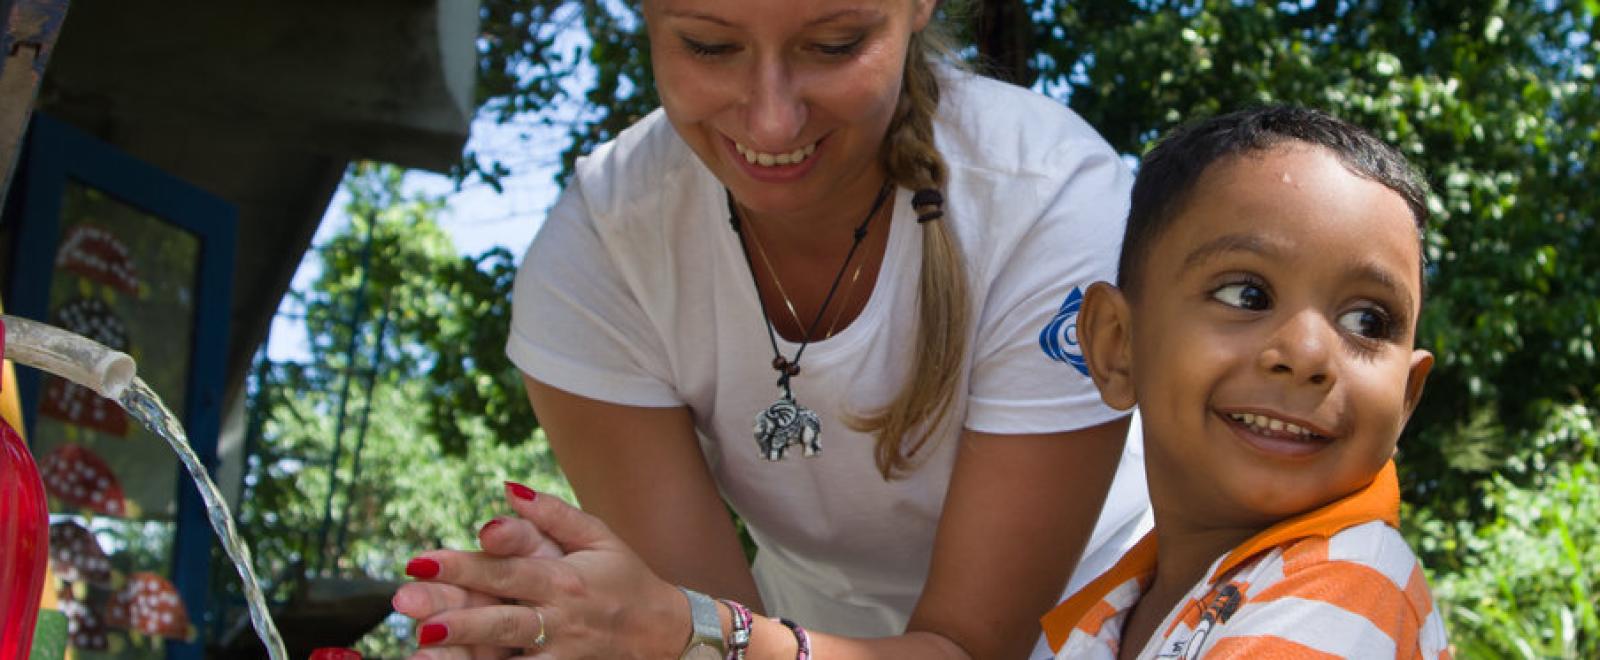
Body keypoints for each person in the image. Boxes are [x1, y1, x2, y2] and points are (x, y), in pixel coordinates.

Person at [392, 0, 1151, 658]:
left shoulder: (1050, 204)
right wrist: (597, 627)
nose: (771, 118)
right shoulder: (604, 253)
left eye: (834, 44)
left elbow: (970, 648)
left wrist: (688, 635)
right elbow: (703, 629)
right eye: (710, 46)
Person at [1039, 105, 1451, 658]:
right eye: (1246, 295)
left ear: (1405, 400)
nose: (1307, 355)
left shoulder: (1349, 589)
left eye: (1367, 322)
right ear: (1118, 345)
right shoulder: (1115, 602)